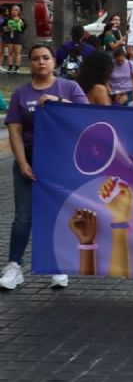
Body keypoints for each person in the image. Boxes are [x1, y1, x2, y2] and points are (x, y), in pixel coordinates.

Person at [1, 45, 89, 291]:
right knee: (23, 216)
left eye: (46, 58)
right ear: (30, 63)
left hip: (60, 158)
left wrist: (57, 101)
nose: (41, 62)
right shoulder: (20, 93)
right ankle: (14, 266)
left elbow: (86, 114)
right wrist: (22, 163)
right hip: (29, 156)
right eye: (36, 58)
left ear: (54, 62)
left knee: (59, 212)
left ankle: (57, 265)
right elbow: (15, 132)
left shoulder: (69, 87)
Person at [1, 5, 27, 72]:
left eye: (16, 10)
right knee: (10, 52)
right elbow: (2, 27)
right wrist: (7, 28)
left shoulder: (21, 20)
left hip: (18, 37)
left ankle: (17, 67)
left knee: (17, 53)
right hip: (9, 37)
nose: (14, 11)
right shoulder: (7, 19)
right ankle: (10, 67)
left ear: (19, 11)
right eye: (12, 10)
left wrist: (18, 27)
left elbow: (24, 28)